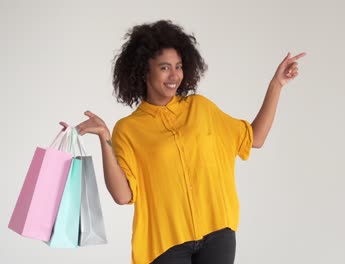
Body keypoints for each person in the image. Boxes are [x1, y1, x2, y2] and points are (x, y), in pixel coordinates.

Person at [61, 20, 305, 264]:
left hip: (217, 232)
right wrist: (105, 138)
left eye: (178, 66)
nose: (174, 75)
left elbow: (255, 138)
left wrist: (277, 84)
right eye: (164, 67)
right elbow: (123, 195)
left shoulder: (200, 108)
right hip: (166, 243)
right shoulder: (129, 129)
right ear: (144, 71)